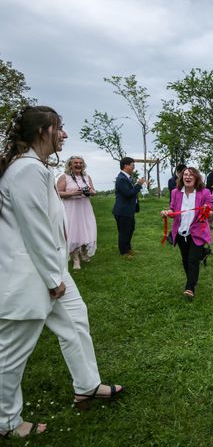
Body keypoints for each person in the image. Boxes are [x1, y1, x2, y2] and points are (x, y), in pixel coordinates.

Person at [0, 106, 123, 439]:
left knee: (76, 322)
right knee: (11, 353)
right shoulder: (26, 170)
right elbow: (35, 229)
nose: (64, 134)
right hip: (29, 278)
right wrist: (54, 280)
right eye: (60, 128)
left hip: (52, 270)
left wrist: (59, 273)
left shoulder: (34, 167)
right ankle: (6, 421)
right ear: (43, 132)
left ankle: (86, 385)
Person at [161, 167, 213, 299]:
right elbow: (173, 210)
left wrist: (207, 210)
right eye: (185, 174)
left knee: (192, 260)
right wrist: (167, 212)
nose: (187, 177)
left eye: (190, 175)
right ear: (181, 177)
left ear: (196, 178)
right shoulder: (175, 192)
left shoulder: (205, 192)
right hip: (180, 232)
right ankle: (193, 277)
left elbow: (210, 212)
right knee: (185, 260)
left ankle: (190, 288)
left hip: (197, 232)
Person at [56, 156, 97, 270]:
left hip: (85, 207)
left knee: (87, 231)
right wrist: (73, 193)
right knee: (73, 232)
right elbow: (58, 193)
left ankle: (83, 252)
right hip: (71, 207)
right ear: (70, 165)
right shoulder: (64, 177)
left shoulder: (87, 177)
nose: (78, 165)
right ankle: (75, 259)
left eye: (80, 163)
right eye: (76, 163)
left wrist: (90, 192)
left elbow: (94, 191)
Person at [112, 157, 146, 257]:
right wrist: (139, 185)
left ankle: (128, 249)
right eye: (132, 165)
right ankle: (124, 252)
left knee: (130, 229)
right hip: (122, 211)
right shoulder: (121, 178)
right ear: (125, 166)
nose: (133, 167)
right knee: (124, 232)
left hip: (128, 210)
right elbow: (128, 194)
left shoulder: (126, 177)